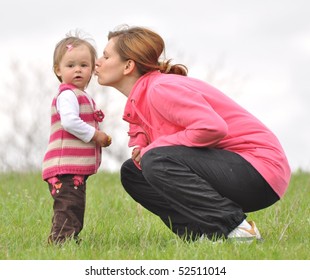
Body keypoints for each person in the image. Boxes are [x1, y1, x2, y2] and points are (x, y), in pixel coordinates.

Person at [95, 25, 291, 242]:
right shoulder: (143, 96)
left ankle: (237, 229)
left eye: (105, 56)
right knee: (133, 172)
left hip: (259, 171)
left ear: (128, 66)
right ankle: (202, 237)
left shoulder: (160, 88)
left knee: (156, 158)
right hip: (234, 171)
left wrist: (154, 148)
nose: (98, 62)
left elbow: (212, 127)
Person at [42, 32, 112, 244]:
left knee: (74, 204)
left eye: (84, 65)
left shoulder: (79, 95)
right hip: (65, 165)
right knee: (69, 204)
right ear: (58, 70)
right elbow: (70, 122)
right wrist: (95, 135)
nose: (78, 70)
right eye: (70, 65)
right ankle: (61, 241)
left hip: (71, 166)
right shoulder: (67, 95)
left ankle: (68, 238)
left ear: (92, 69)